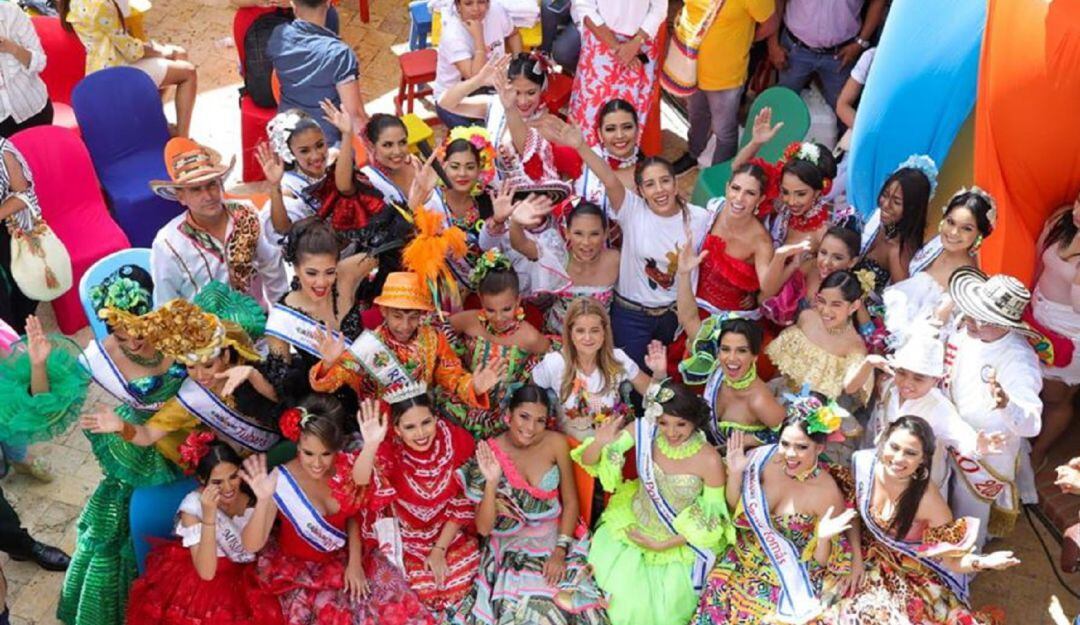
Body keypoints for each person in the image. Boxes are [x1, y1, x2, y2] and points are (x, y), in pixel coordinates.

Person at [17, 266, 185, 625]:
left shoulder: (181, 325)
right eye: (120, 334)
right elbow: (49, 408)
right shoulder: (99, 360)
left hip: (203, 432)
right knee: (135, 533)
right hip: (146, 453)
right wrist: (39, 365)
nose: (132, 341)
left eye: (139, 328)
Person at [239, 394, 434, 625]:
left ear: (336, 449)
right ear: (297, 446)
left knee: (393, 610)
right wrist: (262, 501)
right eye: (308, 453)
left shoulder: (345, 467)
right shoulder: (279, 480)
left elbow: (353, 515)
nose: (317, 463)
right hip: (299, 573)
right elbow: (252, 545)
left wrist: (354, 563)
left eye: (326, 454)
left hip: (346, 556)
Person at [539, 114, 713, 369]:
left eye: (665, 181)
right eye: (650, 184)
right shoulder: (632, 210)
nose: (659, 190)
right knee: (630, 380)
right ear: (640, 191)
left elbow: (735, 208)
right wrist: (580, 146)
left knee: (663, 378)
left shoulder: (700, 218)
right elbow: (609, 179)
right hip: (631, 315)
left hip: (674, 315)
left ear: (676, 184)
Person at [826, 417, 1021, 624]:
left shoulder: (928, 501)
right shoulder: (864, 463)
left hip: (909, 571)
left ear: (923, 459)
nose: (899, 458)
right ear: (883, 441)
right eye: (894, 447)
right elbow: (853, 513)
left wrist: (983, 562)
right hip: (866, 554)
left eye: (910, 453)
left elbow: (952, 560)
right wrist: (856, 558)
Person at [572, 380, 733, 625]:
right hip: (630, 532)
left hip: (678, 546)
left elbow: (712, 519)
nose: (671, 432)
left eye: (681, 423)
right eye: (663, 422)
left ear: (694, 421)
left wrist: (663, 545)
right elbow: (589, 461)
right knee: (612, 603)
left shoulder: (709, 459)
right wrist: (599, 442)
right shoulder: (644, 431)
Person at [452, 384, 608, 625]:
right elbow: (484, 528)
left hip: (554, 536)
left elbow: (570, 501)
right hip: (509, 546)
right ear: (508, 415)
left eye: (540, 420)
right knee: (524, 608)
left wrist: (560, 550)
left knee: (565, 604)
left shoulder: (555, 443)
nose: (530, 428)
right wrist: (491, 482)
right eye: (523, 417)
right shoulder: (491, 450)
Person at [693, 396, 856, 625]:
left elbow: (822, 562)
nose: (790, 454)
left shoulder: (826, 491)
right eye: (785, 444)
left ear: (819, 448)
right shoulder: (763, 459)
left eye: (801, 447)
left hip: (786, 577)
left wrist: (823, 538)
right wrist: (737, 473)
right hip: (742, 558)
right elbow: (734, 507)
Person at [83, 293, 280, 465]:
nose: (201, 375)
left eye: (208, 365)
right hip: (249, 466)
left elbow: (283, 399)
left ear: (226, 356)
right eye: (191, 367)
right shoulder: (190, 396)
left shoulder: (247, 363)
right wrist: (120, 427)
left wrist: (253, 375)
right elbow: (148, 435)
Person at [351, 385, 479, 618]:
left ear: (436, 418)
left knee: (456, 585)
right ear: (397, 429)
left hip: (448, 533)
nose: (420, 433)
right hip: (405, 537)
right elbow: (360, 481)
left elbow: (463, 501)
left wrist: (439, 549)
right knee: (415, 595)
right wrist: (370, 444)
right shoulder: (388, 449)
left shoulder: (456, 442)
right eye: (409, 427)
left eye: (426, 422)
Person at [126, 438, 284, 625]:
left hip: (249, 576)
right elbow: (207, 572)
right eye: (217, 482)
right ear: (202, 480)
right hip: (203, 581)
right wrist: (209, 518)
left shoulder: (256, 492)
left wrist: (263, 501)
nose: (228, 488)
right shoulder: (193, 507)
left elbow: (253, 546)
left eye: (233, 477)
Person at [943, 267, 1043, 546]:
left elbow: (1031, 423)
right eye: (973, 313)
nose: (973, 322)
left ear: (1006, 325)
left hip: (986, 452)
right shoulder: (967, 332)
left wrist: (1007, 405)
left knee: (970, 508)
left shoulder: (1019, 360)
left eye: (984, 319)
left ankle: (967, 561)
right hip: (953, 429)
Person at [311, 271, 505, 413]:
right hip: (379, 429)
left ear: (422, 315)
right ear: (383, 311)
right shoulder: (367, 347)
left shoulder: (433, 339)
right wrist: (328, 364)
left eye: (413, 317)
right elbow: (330, 383)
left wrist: (474, 387)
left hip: (422, 422)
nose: (405, 326)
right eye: (397, 316)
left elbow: (452, 377)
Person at [844, 329, 1007, 491]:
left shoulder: (938, 407)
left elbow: (960, 434)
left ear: (935, 380)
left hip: (921, 486)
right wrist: (869, 363)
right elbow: (853, 392)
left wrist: (978, 445)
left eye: (918, 378)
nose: (907, 383)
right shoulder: (889, 386)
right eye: (901, 373)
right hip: (884, 471)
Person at [149, 137, 289, 308]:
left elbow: (272, 266)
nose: (208, 196)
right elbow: (166, 303)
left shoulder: (246, 213)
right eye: (196, 189)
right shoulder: (168, 244)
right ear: (181, 197)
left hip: (259, 324)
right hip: (203, 333)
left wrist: (282, 314)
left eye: (212, 185)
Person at [263, 218, 377, 413]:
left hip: (377, 387)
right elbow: (285, 391)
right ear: (296, 269)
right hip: (333, 411)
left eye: (329, 272)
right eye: (312, 273)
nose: (322, 282)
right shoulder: (281, 321)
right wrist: (326, 366)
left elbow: (390, 248)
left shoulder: (346, 274)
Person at [675, 257, 784, 449]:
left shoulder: (759, 399)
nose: (731, 358)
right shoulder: (715, 365)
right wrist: (684, 274)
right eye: (725, 349)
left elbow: (783, 435)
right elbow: (689, 317)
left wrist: (742, 443)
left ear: (755, 356)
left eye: (741, 351)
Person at [445, 250, 550, 437]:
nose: (499, 318)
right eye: (490, 310)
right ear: (480, 300)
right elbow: (440, 333)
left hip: (501, 420)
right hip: (463, 405)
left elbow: (550, 365)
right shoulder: (469, 321)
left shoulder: (530, 337)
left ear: (518, 300)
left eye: (507, 309)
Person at [57, 0, 197, 136]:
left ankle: (155, 123)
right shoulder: (101, 5)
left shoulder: (72, 3)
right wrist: (164, 50)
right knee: (188, 72)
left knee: (173, 58)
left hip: (98, 70)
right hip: (119, 72)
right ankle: (182, 137)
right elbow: (131, 51)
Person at [439, 54, 583, 182]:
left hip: (530, 202)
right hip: (493, 193)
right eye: (517, 92)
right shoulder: (495, 105)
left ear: (542, 89)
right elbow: (445, 103)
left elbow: (571, 166)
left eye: (531, 92)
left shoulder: (549, 122)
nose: (523, 101)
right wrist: (478, 80)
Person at [883, 187, 996, 349]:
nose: (954, 232)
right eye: (950, 222)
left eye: (967, 228)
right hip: (889, 329)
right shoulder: (937, 243)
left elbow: (932, 331)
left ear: (980, 235)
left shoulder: (967, 280)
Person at [673, 0, 776, 173]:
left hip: (726, 77)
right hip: (692, 67)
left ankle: (719, 175)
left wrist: (744, 40)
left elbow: (770, 24)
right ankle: (693, 154)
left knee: (724, 131)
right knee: (697, 116)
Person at [259, 105, 388, 239]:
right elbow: (283, 229)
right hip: (321, 253)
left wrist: (347, 134)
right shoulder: (289, 187)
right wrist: (274, 186)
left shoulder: (336, 158)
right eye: (304, 151)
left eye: (320, 145)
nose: (316, 156)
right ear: (290, 153)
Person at [732, 110, 838, 251]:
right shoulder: (777, 193)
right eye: (785, 191)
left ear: (819, 191)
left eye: (801, 194)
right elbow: (738, 169)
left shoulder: (822, 234)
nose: (791, 201)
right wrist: (755, 143)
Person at [509, 199, 619, 335]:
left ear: (605, 233)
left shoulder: (615, 260)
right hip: (558, 338)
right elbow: (521, 245)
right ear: (567, 233)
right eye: (578, 233)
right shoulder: (558, 257)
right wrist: (515, 222)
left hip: (597, 341)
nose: (586, 242)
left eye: (594, 234)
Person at [266, 0, 368, 145]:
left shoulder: (277, 36)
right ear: (328, 3)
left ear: (293, 4)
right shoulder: (339, 54)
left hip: (286, 140)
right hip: (326, 148)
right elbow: (356, 116)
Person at [1028, 194, 1080, 470]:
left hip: (1069, 337)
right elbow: (1038, 259)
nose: (1079, 212)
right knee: (1027, 382)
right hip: (1036, 317)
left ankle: (1040, 451)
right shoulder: (1063, 219)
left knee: (1055, 398)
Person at [568, 0, 666, 145]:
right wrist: (616, 47)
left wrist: (635, 43)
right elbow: (584, 5)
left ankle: (622, 159)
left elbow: (659, 7)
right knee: (592, 107)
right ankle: (589, 158)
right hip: (601, 41)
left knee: (630, 108)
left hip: (641, 43)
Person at [766, 0, 887, 117]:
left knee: (844, 113)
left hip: (842, 55)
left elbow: (878, 2)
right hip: (795, 50)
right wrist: (772, 45)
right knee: (781, 107)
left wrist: (861, 43)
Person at [692, 163, 774, 317]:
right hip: (690, 299)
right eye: (735, 188)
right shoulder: (713, 209)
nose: (739, 198)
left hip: (727, 317)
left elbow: (767, 287)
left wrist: (785, 257)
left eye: (750, 193)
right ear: (727, 187)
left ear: (760, 199)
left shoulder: (761, 242)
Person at [433, 0, 522, 127]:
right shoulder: (453, 34)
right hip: (456, 98)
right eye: (468, 3)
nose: (476, 9)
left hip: (493, 84)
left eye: (481, 2)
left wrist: (518, 64)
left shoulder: (495, 10)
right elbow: (475, 78)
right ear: (458, 6)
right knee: (486, 136)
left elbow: (513, 34)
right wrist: (478, 38)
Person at [857, 155, 935, 284]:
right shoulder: (880, 224)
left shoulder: (899, 252)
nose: (886, 204)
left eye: (896, 202)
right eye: (885, 195)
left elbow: (901, 299)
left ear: (912, 209)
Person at [761, 225, 859, 327]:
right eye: (823, 253)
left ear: (852, 262)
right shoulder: (810, 268)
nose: (826, 262)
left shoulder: (852, 291)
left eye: (837, 258)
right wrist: (788, 262)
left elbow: (868, 333)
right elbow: (766, 296)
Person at [0, 138, 40, 334]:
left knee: (22, 289)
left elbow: (24, 195)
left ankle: (17, 333)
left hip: (6, 229)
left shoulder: (3, 151)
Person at [0, 2, 54, 137]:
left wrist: (12, 48)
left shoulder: (11, 13)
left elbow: (40, 62)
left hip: (33, 109)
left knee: (42, 156)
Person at [540, 0, 579, 73]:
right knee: (547, 4)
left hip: (592, 17)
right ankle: (546, 53)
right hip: (576, 5)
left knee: (562, 53)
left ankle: (576, 72)